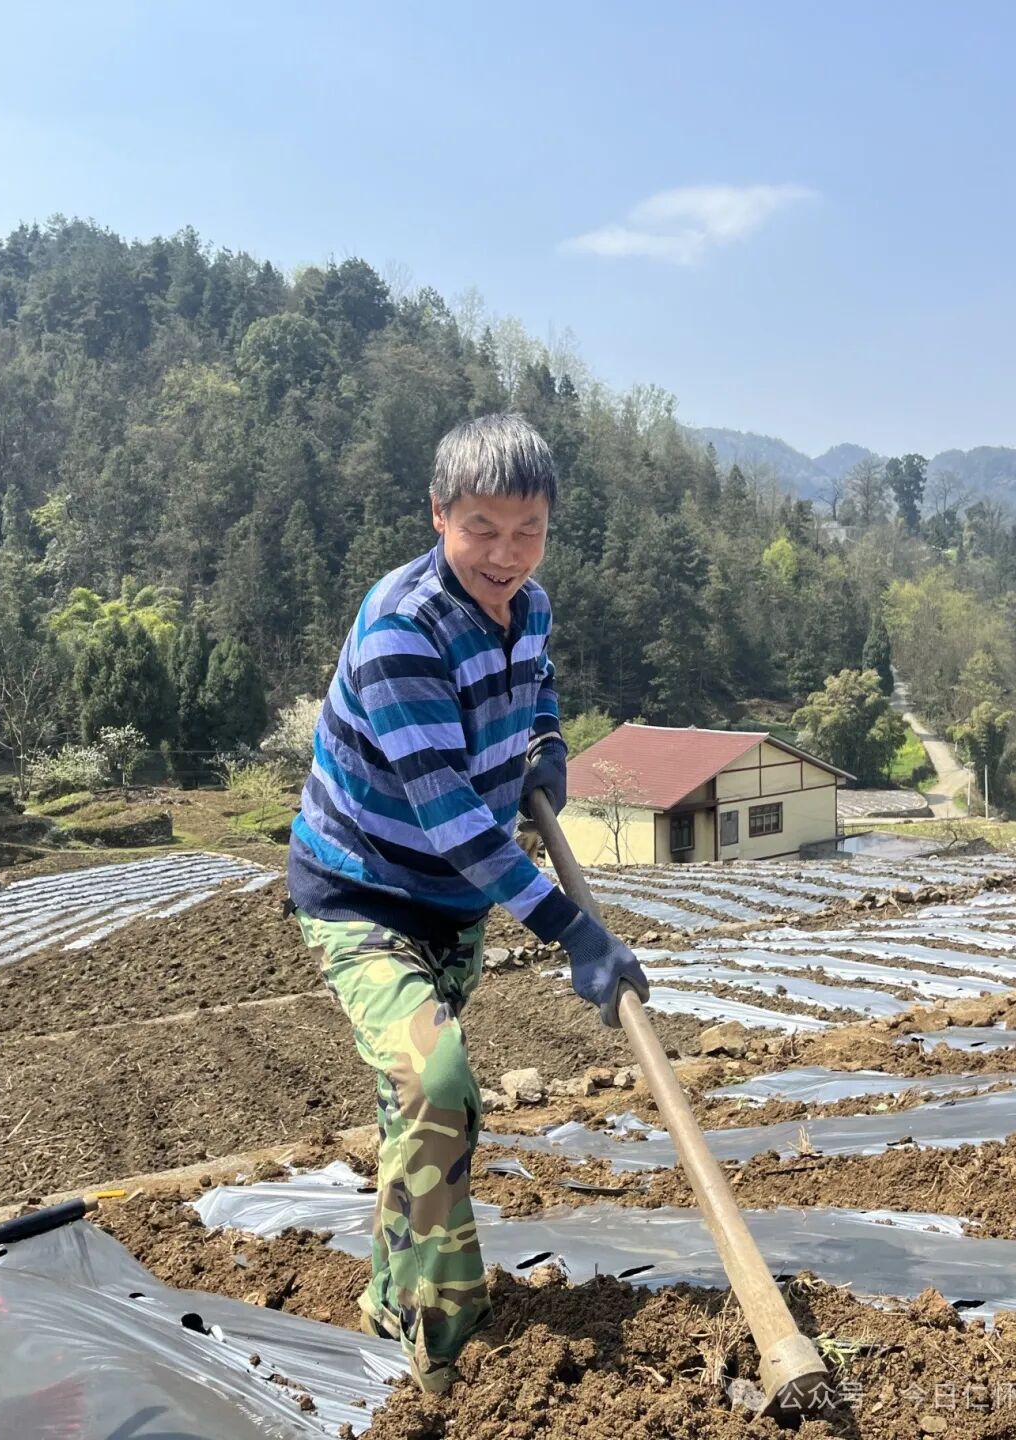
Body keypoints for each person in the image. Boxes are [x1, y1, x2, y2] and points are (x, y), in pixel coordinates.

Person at [286, 412, 649, 1393]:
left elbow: (536, 681)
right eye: (481, 528)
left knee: (420, 1111)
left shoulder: (526, 604)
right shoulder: (403, 630)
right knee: (440, 1089)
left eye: (527, 531)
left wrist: (549, 745)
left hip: (455, 912)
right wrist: (573, 929)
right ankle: (442, 1345)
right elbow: (450, 817)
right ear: (438, 512)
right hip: (364, 898)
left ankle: (381, 1303)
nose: (505, 554)